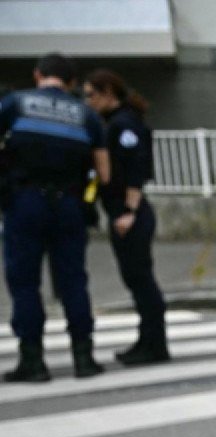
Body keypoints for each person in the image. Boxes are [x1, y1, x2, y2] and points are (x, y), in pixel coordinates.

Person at [0, 52, 108, 382]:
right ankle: (84, 357)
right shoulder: (86, 115)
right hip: (70, 205)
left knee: (25, 283)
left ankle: (33, 361)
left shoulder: (15, 104)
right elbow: (104, 173)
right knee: (73, 280)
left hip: (24, 202)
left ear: (37, 75)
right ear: (72, 82)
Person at [83, 69, 170, 366]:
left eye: (91, 95)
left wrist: (129, 211)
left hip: (129, 212)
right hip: (121, 211)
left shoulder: (124, 124)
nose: (88, 101)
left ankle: (155, 343)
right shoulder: (115, 122)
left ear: (108, 92)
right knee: (136, 278)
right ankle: (148, 339)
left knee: (141, 279)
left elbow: (137, 168)